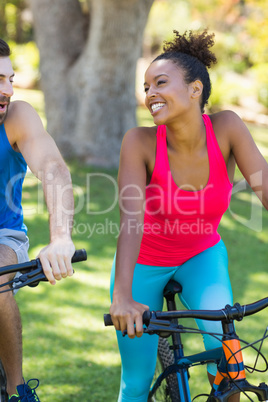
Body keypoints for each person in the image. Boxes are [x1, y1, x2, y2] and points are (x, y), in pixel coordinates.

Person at [109, 29, 268, 401]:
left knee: (231, 363)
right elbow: (131, 220)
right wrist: (122, 296)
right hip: (144, 262)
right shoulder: (140, 142)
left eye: (160, 83)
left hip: (202, 255)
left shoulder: (227, 128)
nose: (149, 94)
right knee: (136, 381)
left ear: (195, 89)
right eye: (146, 87)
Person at [0, 38, 75, 401]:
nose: (8, 90)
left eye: (10, 79)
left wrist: (61, 236)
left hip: (4, 237)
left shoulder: (17, 116)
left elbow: (53, 169)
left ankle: (17, 389)